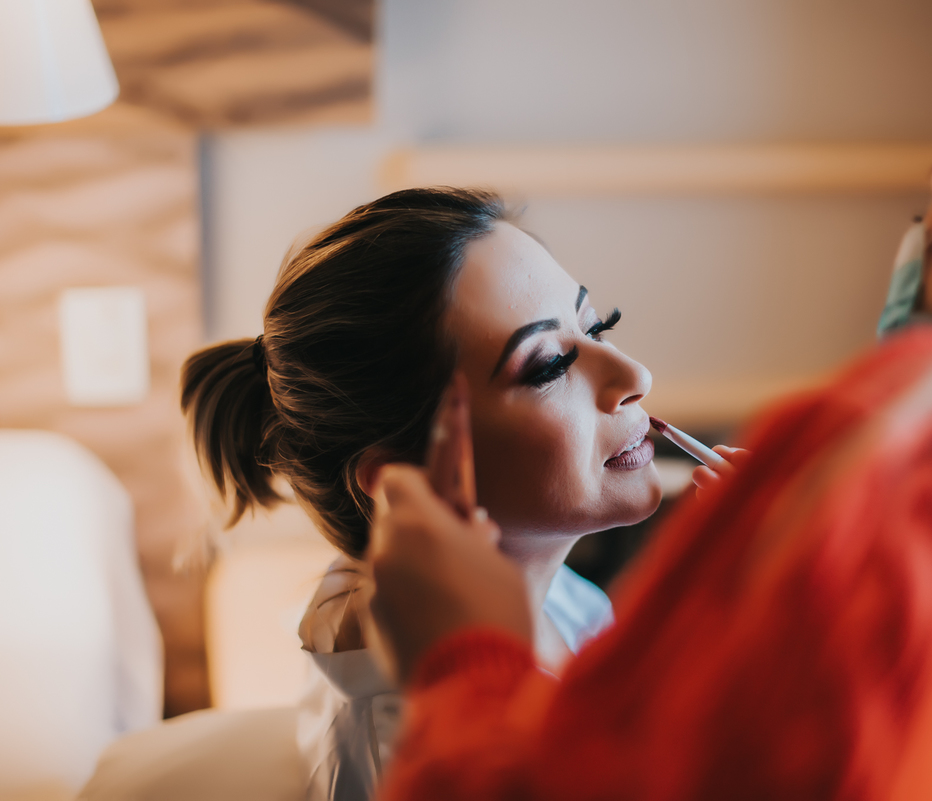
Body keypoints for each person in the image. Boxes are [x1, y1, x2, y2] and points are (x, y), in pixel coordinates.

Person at [364, 3, 932, 799]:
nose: (635, 371)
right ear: (391, 475)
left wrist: (463, 662)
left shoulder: (929, 459)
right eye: (545, 363)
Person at [179, 188, 678, 799]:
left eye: (598, 324)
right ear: (404, 484)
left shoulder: (549, 595)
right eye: (548, 365)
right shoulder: (408, 756)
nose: (635, 377)